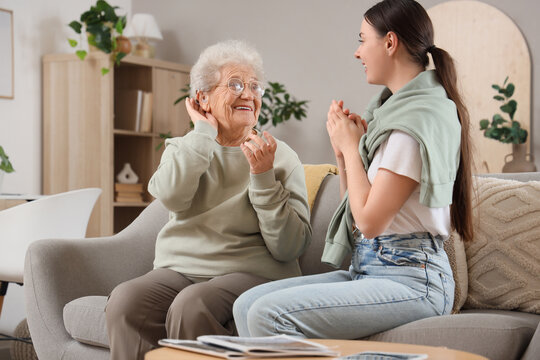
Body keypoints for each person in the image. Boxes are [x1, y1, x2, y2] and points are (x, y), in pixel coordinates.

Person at [233, 0, 473, 340]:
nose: (357, 53)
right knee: (245, 306)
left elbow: (370, 223)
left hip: (413, 279)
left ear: (390, 43)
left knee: (268, 315)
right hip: (369, 268)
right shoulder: (394, 115)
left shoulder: (415, 122)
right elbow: (356, 210)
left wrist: (350, 146)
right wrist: (346, 157)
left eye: (362, 40)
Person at [105, 40, 312, 360]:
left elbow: (289, 247)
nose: (249, 94)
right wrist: (202, 134)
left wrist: (263, 176)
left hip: (254, 272)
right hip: (181, 268)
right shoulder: (183, 148)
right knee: (125, 301)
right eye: (236, 84)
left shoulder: (279, 156)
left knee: (193, 304)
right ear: (203, 98)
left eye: (256, 87)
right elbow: (172, 197)